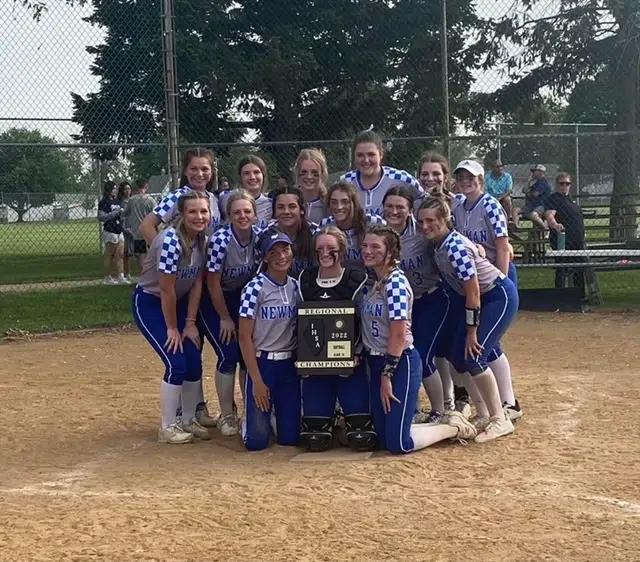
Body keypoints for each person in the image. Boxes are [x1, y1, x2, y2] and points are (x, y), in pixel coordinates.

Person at [360, 225, 478, 453]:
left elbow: (398, 331)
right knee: (384, 438)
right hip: (377, 360)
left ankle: (451, 426)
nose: (367, 250)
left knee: (399, 444)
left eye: (375, 246)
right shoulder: (376, 281)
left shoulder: (394, 283)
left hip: (397, 361)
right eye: (365, 245)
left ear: (391, 252)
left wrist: (387, 373)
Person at [417, 198, 518, 443]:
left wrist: (472, 330)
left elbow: (473, 291)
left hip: (496, 296)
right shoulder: (438, 245)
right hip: (480, 298)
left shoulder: (454, 247)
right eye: (421, 221)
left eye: (431, 220)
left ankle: (500, 417)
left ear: (445, 219)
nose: (425, 225)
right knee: (457, 355)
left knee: (474, 355)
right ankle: (483, 413)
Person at [139, 148, 222, 428]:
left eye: (205, 169)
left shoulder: (215, 200)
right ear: (186, 171)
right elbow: (147, 226)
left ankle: (193, 412)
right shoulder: (178, 198)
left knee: (193, 352)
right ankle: (175, 418)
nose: (200, 174)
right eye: (194, 169)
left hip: (194, 284)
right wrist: (165, 259)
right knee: (179, 356)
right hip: (170, 286)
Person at [132, 191, 211, 444]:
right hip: (152, 302)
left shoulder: (202, 239)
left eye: (203, 211)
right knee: (176, 362)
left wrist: (189, 324)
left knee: (193, 361)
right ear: (180, 215)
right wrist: (172, 328)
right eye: (192, 212)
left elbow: (197, 282)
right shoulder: (170, 241)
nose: (199, 216)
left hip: (178, 304)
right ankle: (167, 426)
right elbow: (165, 289)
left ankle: (188, 419)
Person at [451, 159, 521, 421]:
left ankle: (507, 404)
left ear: (481, 180)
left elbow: (503, 247)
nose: (466, 181)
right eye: (462, 177)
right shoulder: (459, 206)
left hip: (497, 278)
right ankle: (507, 402)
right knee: (490, 345)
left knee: (484, 345)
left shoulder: (489, 205)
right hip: (476, 280)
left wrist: (502, 281)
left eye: (471, 177)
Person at [297, 226, 376, 452]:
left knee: (362, 437)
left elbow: (366, 321)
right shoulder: (305, 280)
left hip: (350, 365)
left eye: (331, 248)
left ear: (342, 250)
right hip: (316, 368)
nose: (325, 253)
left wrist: (357, 352)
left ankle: (346, 417)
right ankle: (329, 418)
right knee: (315, 439)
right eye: (320, 248)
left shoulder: (358, 279)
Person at [382, 187, 448, 424]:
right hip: (401, 305)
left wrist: (477, 248)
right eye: (389, 206)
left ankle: (440, 410)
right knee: (403, 354)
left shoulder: (421, 231)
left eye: (400, 207)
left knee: (423, 354)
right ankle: (414, 408)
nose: (394, 211)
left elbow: (448, 237)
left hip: (429, 297)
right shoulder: (381, 234)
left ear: (410, 210)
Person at [202, 190, 261, 436]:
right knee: (228, 353)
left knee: (249, 354)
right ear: (228, 216)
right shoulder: (221, 240)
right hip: (216, 300)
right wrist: (225, 317)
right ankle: (227, 414)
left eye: (247, 211)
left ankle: (250, 409)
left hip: (243, 299)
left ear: (256, 215)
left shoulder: (259, 237)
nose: (242, 216)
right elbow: (213, 283)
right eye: (236, 212)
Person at [238, 228, 301, 451]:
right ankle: (249, 422)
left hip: (288, 364)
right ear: (265, 257)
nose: (281, 257)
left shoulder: (296, 286)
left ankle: (273, 418)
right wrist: (256, 380)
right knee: (257, 443)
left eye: (285, 250)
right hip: (263, 362)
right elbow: (244, 336)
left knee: (291, 439)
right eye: (273, 253)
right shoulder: (254, 288)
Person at [341, 129, 425, 216]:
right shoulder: (345, 182)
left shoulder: (401, 178)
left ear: (381, 154)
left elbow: (425, 200)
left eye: (371, 154)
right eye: (360, 155)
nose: (366, 160)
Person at [319, 180, 386, 267]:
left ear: (354, 203)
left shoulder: (374, 222)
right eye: (334, 202)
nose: (339, 207)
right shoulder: (325, 225)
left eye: (345, 202)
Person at [544, 172, 587, 297]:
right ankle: (561, 295)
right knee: (562, 267)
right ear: (557, 185)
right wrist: (555, 224)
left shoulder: (571, 199)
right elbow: (549, 215)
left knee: (579, 268)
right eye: (561, 184)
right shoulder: (554, 199)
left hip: (577, 240)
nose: (564, 186)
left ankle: (579, 295)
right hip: (562, 240)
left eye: (567, 184)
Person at [269, 186, 317, 277]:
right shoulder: (267, 234)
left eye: (292, 207)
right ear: (275, 211)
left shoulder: (316, 233)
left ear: (302, 210)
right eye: (280, 207)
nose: (286, 211)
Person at [220, 155, 273, 228]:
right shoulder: (226, 199)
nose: (252, 177)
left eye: (256, 172)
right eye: (246, 173)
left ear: (263, 175)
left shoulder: (270, 205)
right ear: (240, 177)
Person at [123, 178, 156, 267]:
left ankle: (143, 274)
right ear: (146, 186)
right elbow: (156, 214)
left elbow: (126, 213)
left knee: (141, 254)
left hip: (137, 231)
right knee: (151, 253)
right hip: (150, 230)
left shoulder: (132, 200)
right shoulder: (150, 200)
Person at [98, 180, 126, 285]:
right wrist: (114, 213)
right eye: (113, 188)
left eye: (116, 189)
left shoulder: (117, 201)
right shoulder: (103, 202)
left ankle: (121, 276)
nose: (115, 191)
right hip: (110, 230)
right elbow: (101, 217)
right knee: (109, 255)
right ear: (108, 189)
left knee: (120, 254)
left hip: (119, 230)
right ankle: (107, 277)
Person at [294, 148, 329, 224]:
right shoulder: (289, 202)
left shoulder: (329, 203)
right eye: (304, 172)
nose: (309, 177)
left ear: (322, 174)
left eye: (314, 172)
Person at [524, 164, 551, 229]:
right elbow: (524, 190)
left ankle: (546, 229)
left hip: (542, 206)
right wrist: (529, 181)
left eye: (535, 171)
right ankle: (517, 227)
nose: (533, 173)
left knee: (533, 215)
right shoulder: (536, 183)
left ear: (541, 172)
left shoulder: (543, 183)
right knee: (515, 210)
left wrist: (528, 193)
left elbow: (535, 194)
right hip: (533, 206)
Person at [118, 181, 133, 283]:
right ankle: (126, 274)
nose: (127, 191)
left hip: (133, 228)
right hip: (125, 228)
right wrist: (124, 229)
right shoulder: (121, 202)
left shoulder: (133, 201)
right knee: (125, 253)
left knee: (136, 252)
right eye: (125, 189)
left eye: (129, 189)